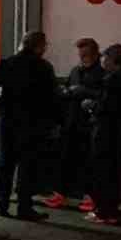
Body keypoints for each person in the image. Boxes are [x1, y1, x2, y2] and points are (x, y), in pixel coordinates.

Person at [0, 31, 57, 221]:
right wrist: (51, 122)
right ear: (39, 46)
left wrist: (0, 108)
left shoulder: (7, 63)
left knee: (5, 164)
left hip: (8, 121)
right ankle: (24, 207)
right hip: (32, 124)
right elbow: (52, 98)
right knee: (27, 166)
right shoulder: (43, 67)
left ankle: (2, 204)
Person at [43, 38, 103, 213]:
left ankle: (90, 196)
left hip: (89, 125)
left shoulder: (101, 73)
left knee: (88, 162)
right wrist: (66, 92)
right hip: (71, 122)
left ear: (94, 54)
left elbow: (106, 96)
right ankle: (60, 193)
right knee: (65, 159)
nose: (82, 58)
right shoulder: (76, 70)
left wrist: (85, 92)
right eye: (81, 54)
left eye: (86, 55)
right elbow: (67, 89)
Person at [86, 44, 121, 225]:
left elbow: (105, 107)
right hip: (117, 133)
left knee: (102, 172)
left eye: (105, 58)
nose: (102, 61)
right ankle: (110, 211)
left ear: (113, 61)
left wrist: (90, 105)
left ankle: (103, 212)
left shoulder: (112, 79)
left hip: (105, 132)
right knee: (111, 173)